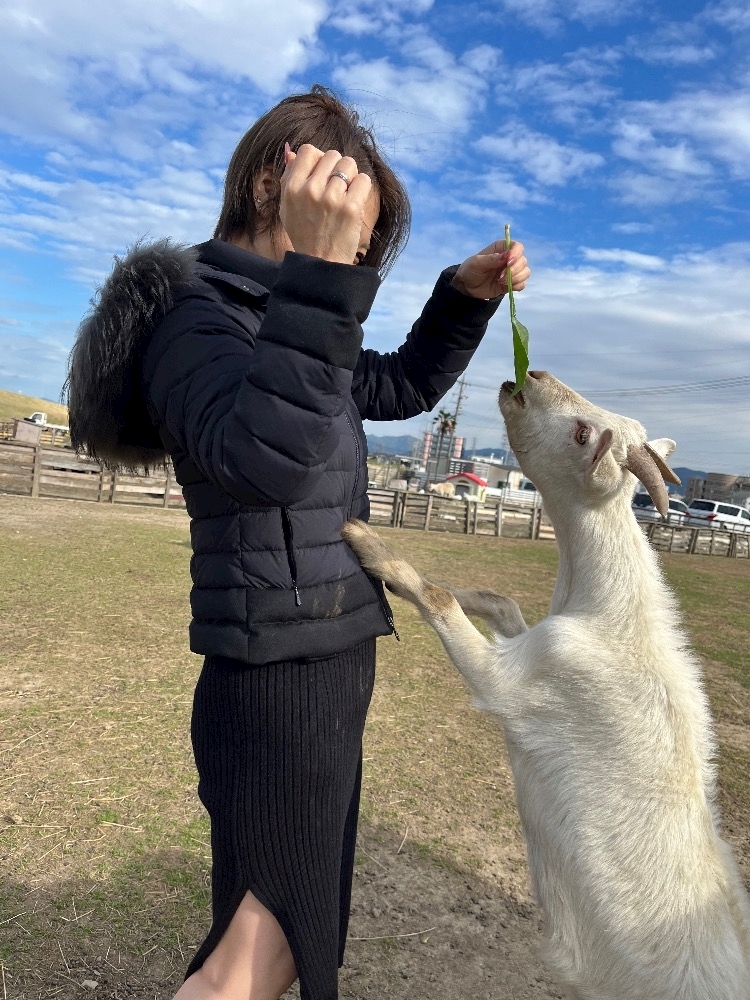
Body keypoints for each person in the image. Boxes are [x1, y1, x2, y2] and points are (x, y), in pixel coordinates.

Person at [66, 85, 530, 1000]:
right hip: (276, 669)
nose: (359, 251)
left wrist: (460, 301)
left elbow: (389, 387)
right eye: (356, 223)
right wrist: (323, 281)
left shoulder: (280, 312)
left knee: (280, 925)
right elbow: (261, 461)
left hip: (324, 652)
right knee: (261, 947)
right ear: (283, 178)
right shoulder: (195, 317)